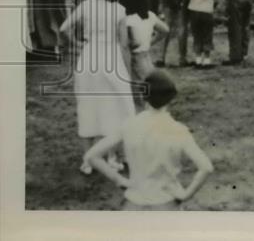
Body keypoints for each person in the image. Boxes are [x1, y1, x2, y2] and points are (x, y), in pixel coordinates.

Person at [83, 70, 215, 210]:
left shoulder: (129, 125)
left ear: (143, 96)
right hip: (165, 203)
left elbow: (91, 156)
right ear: (171, 98)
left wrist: (119, 180)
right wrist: (185, 195)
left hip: (133, 203)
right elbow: (206, 167)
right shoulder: (178, 130)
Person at [59, 0, 137, 174]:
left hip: (89, 57)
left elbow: (64, 28)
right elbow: (124, 44)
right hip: (111, 59)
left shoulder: (85, 6)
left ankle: (88, 161)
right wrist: (127, 72)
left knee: (88, 106)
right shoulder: (118, 9)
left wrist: (78, 45)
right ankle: (112, 156)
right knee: (115, 107)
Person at [121, 0, 168, 104]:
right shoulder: (150, 16)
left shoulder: (128, 20)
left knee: (137, 94)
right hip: (147, 57)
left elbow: (129, 43)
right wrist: (150, 43)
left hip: (134, 59)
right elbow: (165, 30)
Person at [185, 0, 221, 68]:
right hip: (207, 11)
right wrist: (212, 6)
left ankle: (198, 59)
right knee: (207, 35)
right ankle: (207, 59)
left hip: (194, 11)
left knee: (197, 35)